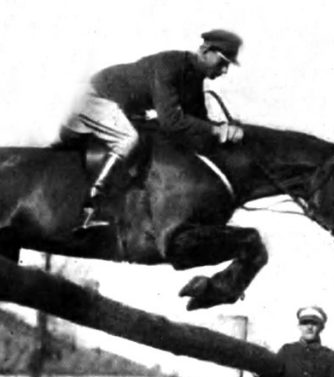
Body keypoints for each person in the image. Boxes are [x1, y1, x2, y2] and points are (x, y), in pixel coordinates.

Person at [60, 29, 246, 231]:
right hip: (95, 97)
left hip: (120, 107)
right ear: (205, 51)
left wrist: (224, 131)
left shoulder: (194, 78)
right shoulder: (169, 66)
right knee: (128, 140)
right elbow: (172, 121)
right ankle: (93, 204)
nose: (225, 70)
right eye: (223, 62)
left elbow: (198, 122)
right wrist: (216, 130)